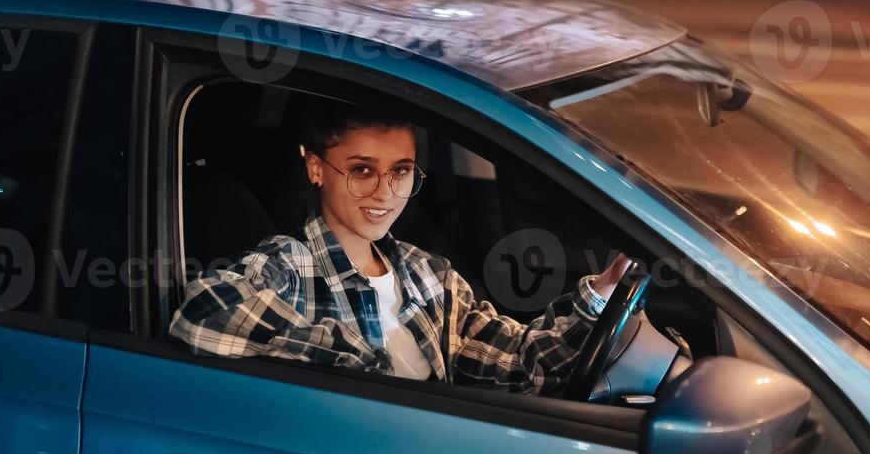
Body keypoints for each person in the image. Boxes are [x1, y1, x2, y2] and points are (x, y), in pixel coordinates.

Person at [169, 97, 631, 394]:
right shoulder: (286, 267)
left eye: (401, 170)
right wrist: (359, 370)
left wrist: (602, 294)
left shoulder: (431, 276)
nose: (386, 193)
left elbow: (520, 365)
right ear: (315, 168)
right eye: (363, 170)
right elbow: (200, 322)